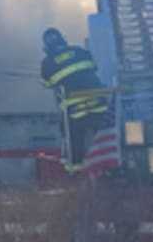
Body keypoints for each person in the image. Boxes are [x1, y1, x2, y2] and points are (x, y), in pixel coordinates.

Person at [40, 28, 110, 167]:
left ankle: (76, 166)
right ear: (62, 39)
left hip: (75, 109)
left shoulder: (47, 63)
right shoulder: (79, 51)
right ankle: (108, 162)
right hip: (98, 102)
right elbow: (94, 67)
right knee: (104, 134)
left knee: (72, 135)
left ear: (46, 46)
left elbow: (48, 83)